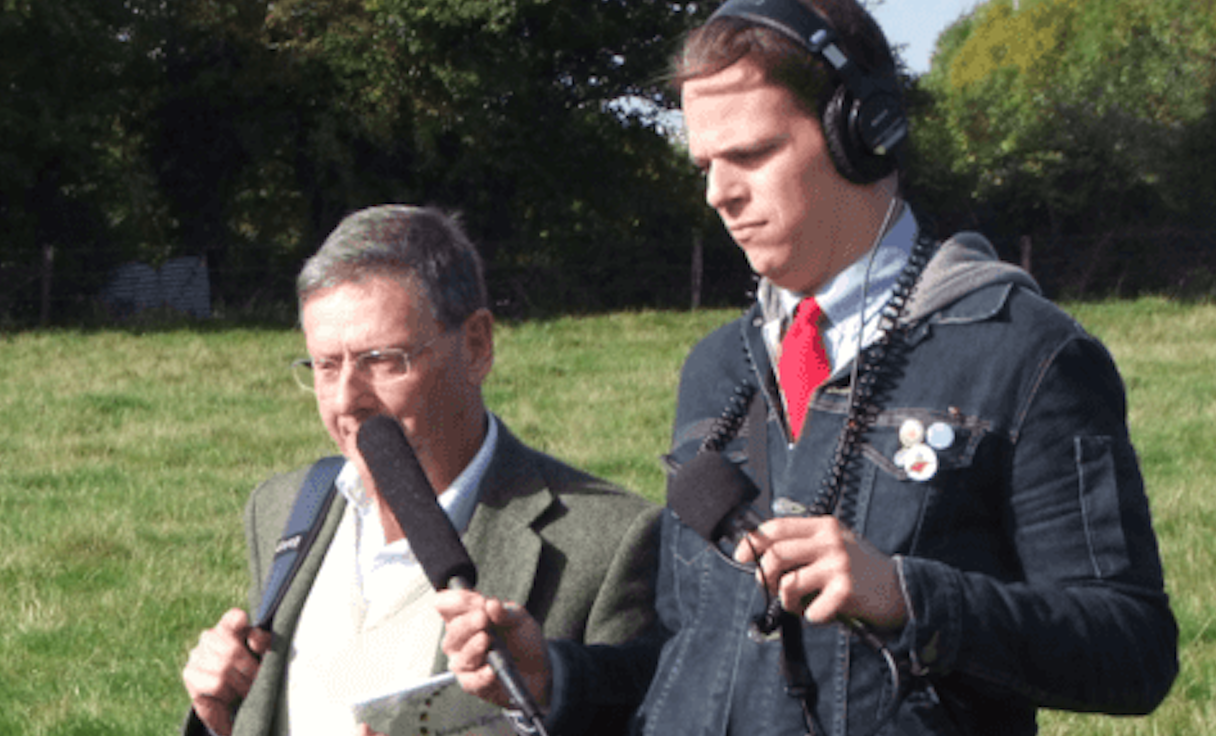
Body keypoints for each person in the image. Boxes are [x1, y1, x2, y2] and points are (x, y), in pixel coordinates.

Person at [436, 1, 1179, 734]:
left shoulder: (1026, 354)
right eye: (705, 163)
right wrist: (552, 676)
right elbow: (682, 655)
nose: (717, 193)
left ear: (860, 132)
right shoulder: (715, 368)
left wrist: (908, 596)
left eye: (752, 154)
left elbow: (1132, 649)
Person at [180, 205, 659, 736]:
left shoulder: (609, 543)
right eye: (325, 365)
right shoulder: (284, 509)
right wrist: (216, 714)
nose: (346, 401)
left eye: (383, 360)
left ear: (477, 346)